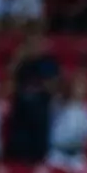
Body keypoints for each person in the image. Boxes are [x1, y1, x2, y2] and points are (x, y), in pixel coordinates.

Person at [5, 26, 60, 163]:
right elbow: (8, 81)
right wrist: (17, 58)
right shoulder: (21, 64)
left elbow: (54, 87)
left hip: (40, 121)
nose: (34, 46)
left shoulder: (48, 63)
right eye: (30, 43)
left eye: (37, 42)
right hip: (20, 121)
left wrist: (41, 83)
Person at [47, 72, 87, 172]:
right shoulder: (58, 103)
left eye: (83, 87)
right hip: (57, 154)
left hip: (77, 156)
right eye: (78, 86)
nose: (80, 90)